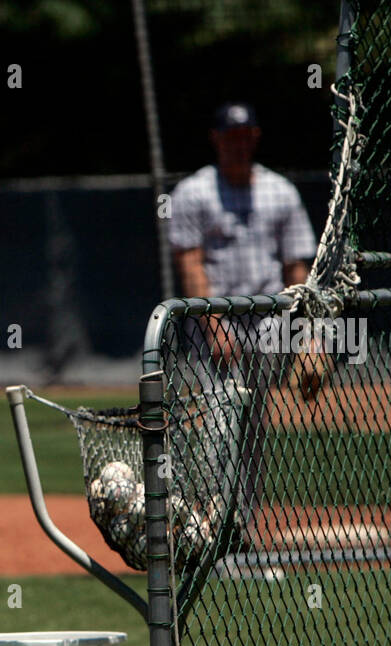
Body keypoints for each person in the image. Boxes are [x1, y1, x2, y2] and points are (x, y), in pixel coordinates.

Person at [167, 102, 317, 536]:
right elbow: (191, 263)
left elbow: (295, 268)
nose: (239, 143)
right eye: (230, 136)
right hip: (218, 322)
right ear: (216, 139)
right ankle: (211, 530)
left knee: (252, 430)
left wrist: (308, 338)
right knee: (218, 425)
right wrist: (215, 326)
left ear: (255, 137)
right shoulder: (194, 192)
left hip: (270, 322)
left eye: (246, 135)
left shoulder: (279, 191)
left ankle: (240, 531)